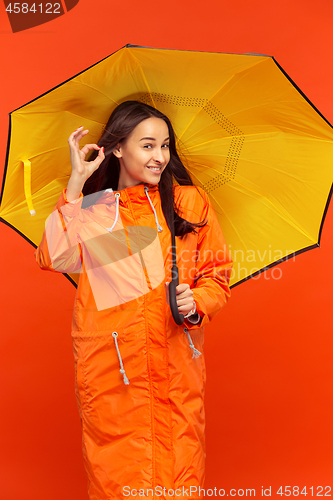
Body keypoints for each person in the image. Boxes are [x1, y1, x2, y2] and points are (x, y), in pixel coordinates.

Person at [34, 101, 233, 500]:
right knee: (119, 479)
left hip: (177, 365)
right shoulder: (96, 211)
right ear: (119, 148)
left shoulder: (189, 204)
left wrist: (194, 301)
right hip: (114, 371)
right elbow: (53, 257)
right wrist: (76, 185)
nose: (159, 156)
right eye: (147, 145)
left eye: (165, 146)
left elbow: (217, 276)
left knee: (181, 474)